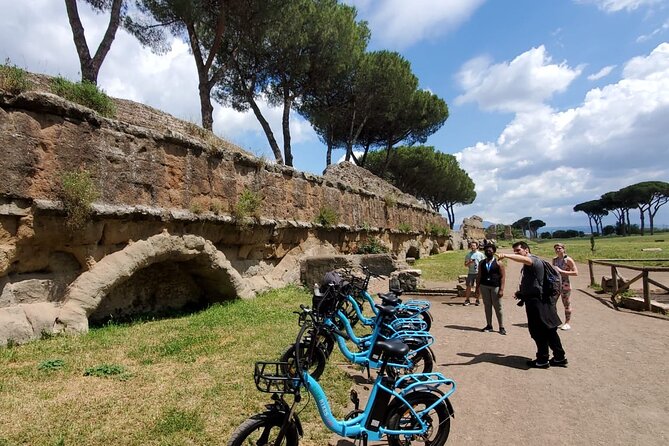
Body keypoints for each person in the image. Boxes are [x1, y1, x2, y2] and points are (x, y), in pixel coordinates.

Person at [498, 241, 567, 368]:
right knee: (550, 330)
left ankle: (542, 359)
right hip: (540, 300)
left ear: (526, 250)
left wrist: (506, 255)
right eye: (515, 251)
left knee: (538, 331)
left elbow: (525, 260)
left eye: (518, 251)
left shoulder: (533, 260)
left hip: (538, 302)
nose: (516, 253)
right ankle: (559, 357)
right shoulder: (531, 262)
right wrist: (522, 293)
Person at [475, 244, 506, 334]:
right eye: (487, 250)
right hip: (484, 286)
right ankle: (489, 325)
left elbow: (503, 277)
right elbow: (479, 275)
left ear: (494, 252)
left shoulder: (499, 263)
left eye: (490, 250)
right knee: (487, 306)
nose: (488, 252)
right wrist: (477, 288)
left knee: (498, 307)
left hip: (495, 286)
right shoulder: (482, 262)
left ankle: (501, 326)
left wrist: (501, 289)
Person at [552, 243, 578, 330]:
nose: (557, 250)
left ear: (563, 249)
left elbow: (575, 272)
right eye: (556, 249)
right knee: (552, 302)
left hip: (565, 283)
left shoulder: (568, 260)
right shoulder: (554, 260)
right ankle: (554, 321)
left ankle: (567, 323)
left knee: (566, 303)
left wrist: (562, 271)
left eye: (559, 248)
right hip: (556, 283)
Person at [463, 241, 484, 306]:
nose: (472, 247)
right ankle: (467, 300)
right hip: (471, 273)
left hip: (478, 273)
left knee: (478, 287)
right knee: (468, 286)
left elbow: (484, 263)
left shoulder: (481, 254)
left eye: (474, 246)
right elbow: (465, 265)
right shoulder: (468, 255)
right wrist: (470, 262)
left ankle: (477, 300)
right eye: (471, 246)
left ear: (477, 246)